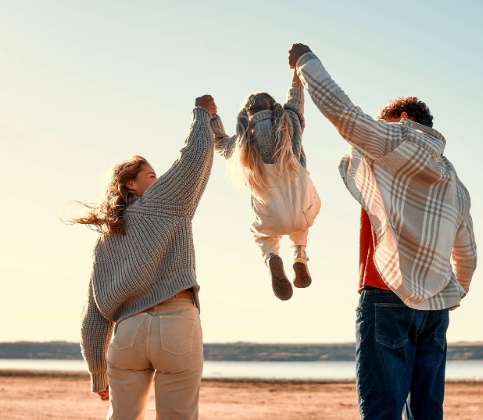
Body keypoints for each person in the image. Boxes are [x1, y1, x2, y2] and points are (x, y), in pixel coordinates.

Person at [287, 44, 478, 420]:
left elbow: (344, 113)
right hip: (436, 309)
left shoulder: (395, 139)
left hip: (385, 295)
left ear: (402, 117)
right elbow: (467, 253)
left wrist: (306, 61)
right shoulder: (453, 179)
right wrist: (454, 293)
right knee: (427, 413)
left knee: (381, 413)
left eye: (381, 120)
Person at [72, 95, 219, 420]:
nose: (158, 180)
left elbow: (93, 316)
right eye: (151, 176)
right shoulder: (164, 204)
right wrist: (202, 115)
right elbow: (191, 163)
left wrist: (98, 374)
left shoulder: (106, 239)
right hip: (176, 325)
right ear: (131, 185)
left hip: (127, 335)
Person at [211, 70, 321, 301]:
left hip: (271, 218)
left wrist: (212, 117)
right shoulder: (290, 127)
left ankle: (272, 257)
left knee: (260, 234)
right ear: (274, 108)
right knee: (303, 217)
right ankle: (300, 255)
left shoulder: (242, 146)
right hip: (303, 209)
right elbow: (295, 103)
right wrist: (296, 76)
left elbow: (218, 142)